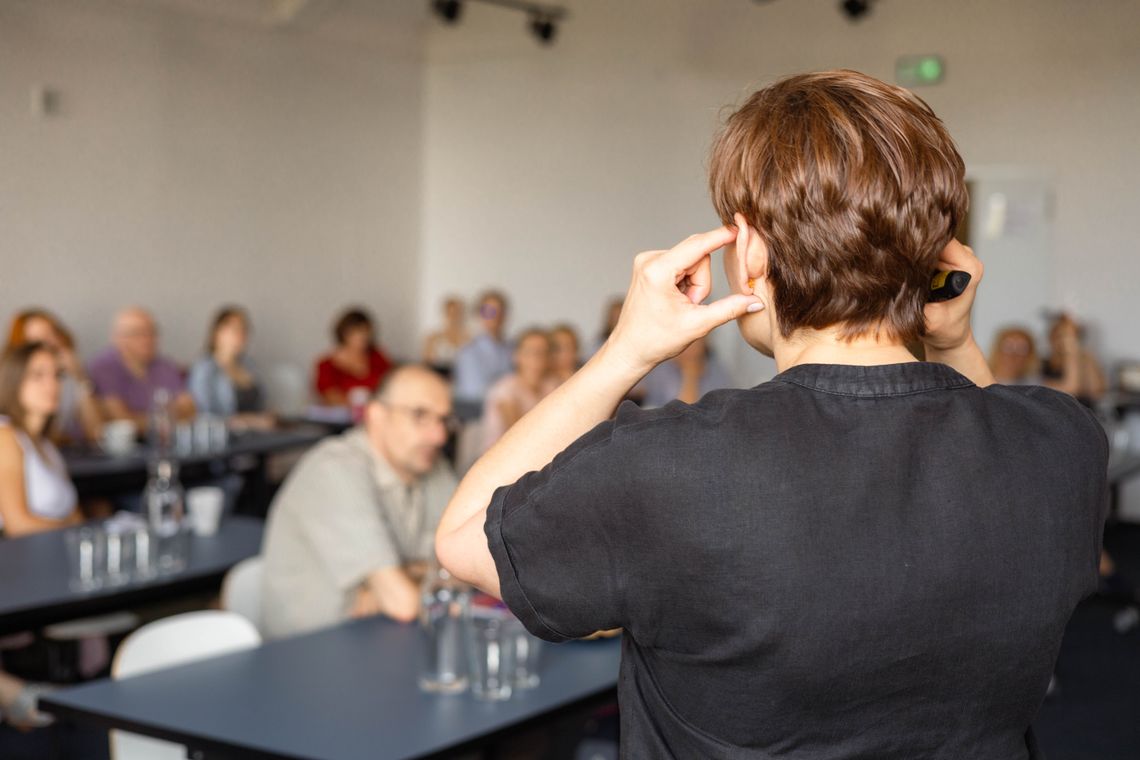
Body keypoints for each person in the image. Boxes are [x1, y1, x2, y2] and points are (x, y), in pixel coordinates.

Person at [436, 70, 1108, 757]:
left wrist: (624, 351)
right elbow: (991, 440)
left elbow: (463, 538)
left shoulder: (669, 465)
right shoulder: (1064, 443)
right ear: (935, 261)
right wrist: (955, 341)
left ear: (751, 250)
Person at [261, 365, 458, 639]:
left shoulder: (429, 462)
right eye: (420, 415)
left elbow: (473, 563)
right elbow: (404, 604)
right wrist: (428, 576)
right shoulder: (335, 469)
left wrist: (404, 575)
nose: (439, 436)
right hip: (307, 653)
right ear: (376, 415)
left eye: (443, 420)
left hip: (381, 638)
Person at [0, 344, 81, 537]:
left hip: (56, 551)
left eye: (57, 375)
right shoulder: (6, 437)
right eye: (38, 375)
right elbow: (17, 525)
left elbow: (73, 514)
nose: (52, 385)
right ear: (14, 381)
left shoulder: (46, 444)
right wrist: (81, 534)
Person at [87, 308, 195, 433]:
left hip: (165, 443)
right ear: (117, 338)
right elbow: (121, 420)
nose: (148, 339)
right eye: (138, 333)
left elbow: (190, 410)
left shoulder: (165, 366)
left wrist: (142, 420)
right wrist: (168, 417)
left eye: (152, 332)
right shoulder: (103, 366)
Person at [6, 309, 104, 444]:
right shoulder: (12, 382)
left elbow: (96, 432)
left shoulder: (65, 378)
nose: (50, 342)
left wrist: (80, 377)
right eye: (38, 338)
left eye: (52, 334)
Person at [188, 307, 273, 430]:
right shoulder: (204, 369)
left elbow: (263, 404)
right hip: (227, 440)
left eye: (244, 329)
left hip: (260, 436)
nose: (241, 335)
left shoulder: (249, 365)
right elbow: (202, 416)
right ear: (217, 333)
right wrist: (248, 421)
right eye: (235, 329)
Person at [481, 329, 557, 453]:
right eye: (530, 352)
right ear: (517, 356)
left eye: (543, 352)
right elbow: (518, 435)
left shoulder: (551, 386)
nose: (536, 358)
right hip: (503, 459)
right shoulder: (504, 388)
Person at [314, 308, 393, 406]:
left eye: (366, 332)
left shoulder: (377, 358)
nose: (362, 337)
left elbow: (390, 386)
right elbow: (330, 396)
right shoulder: (327, 365)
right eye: (356, 332)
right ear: (344, 334)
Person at [451, 291, 512, 416]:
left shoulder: (513, 348)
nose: (495, 316)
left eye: (500, 311)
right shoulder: (467, 351)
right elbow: (474, 395)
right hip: (475, 416)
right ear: (480, 314)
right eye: (489, 311)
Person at [637, 334, 733, 407]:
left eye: (695, 342)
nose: (688, 348)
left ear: (705, 341)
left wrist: (690, 375)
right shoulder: (662, 369)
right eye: (685, 342)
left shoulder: (716, 372)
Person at [1041, 313, 1106, 407]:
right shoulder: (1041, 364)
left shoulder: (1085, 358)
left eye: (1070, 337)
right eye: (1060, 336)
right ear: (1051, 338)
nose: (1064, 341)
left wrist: (1080, 355)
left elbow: (1097, 391)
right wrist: (1071, 352)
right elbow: (1072, 389)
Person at [422, 296, 470, 377]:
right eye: (450, 312)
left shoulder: (468, 338)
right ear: (444, 313)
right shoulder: (433, 337)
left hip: (461, 377)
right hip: (438, 377)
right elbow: (426, 363)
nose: (453, 317)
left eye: (456, 313)